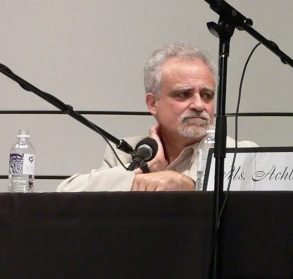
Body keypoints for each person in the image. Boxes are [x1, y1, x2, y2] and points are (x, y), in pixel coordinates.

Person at [57, 43, 257, 192]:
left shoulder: (239, 153)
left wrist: (190, 186)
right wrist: (144, 168)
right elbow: (65, 193)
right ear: (153, 103)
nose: (198, 105)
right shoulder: (126, 151)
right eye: (183, 94)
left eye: (207, 95)